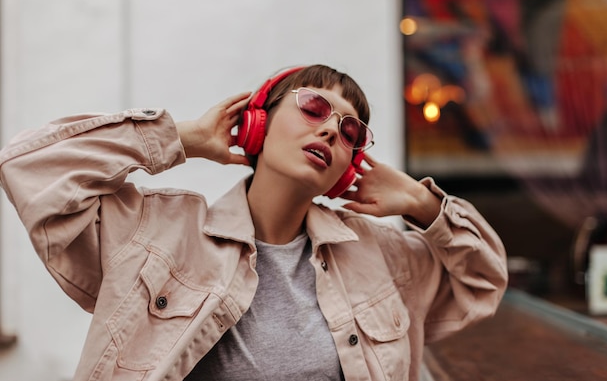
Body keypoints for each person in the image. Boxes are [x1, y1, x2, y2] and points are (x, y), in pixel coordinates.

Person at [0, 64, 507, 381]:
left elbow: (482, 280)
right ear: (256, 121)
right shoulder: (154, 232)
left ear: (350, 164)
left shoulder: (380, 256)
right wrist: (186, 138)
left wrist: (423, 204)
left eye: (350, 129)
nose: (332, 127)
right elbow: (27, 167)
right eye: (314, 107)